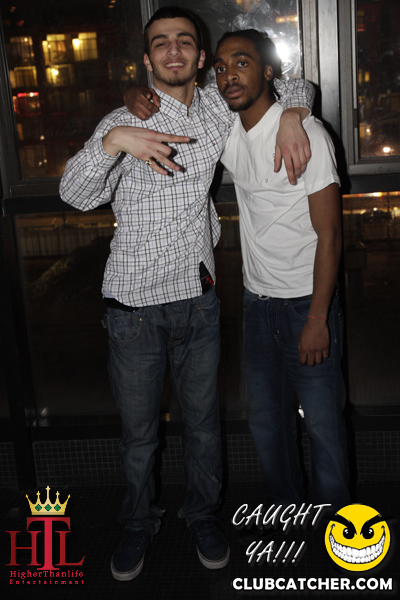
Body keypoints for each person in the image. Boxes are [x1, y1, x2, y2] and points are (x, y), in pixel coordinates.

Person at [59, 7, 314, 582]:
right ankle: (137, 523)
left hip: (197, 300)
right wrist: (114, 141)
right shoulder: (123, 119)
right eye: (160, 43)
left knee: (203, 425)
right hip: (133, 310)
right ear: (147, 59)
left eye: (183, 42)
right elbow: (74, 194)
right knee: (139, 436)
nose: (172, 51)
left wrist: (294, 115)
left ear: (200, 57)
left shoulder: (219, 109)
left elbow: (295, 83)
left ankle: (202, 515)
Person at [213, 29, 351, 532]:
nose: (229, 75)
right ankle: (286, 515)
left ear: (268, 71)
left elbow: (330, 235)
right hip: (257, 306)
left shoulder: (307, 134)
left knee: (323, 426)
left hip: (305, 306)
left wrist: (317, 319)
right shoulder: (228, 131)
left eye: (242, 62)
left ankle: (340, 531)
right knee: (267, 425)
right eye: (221, 67)